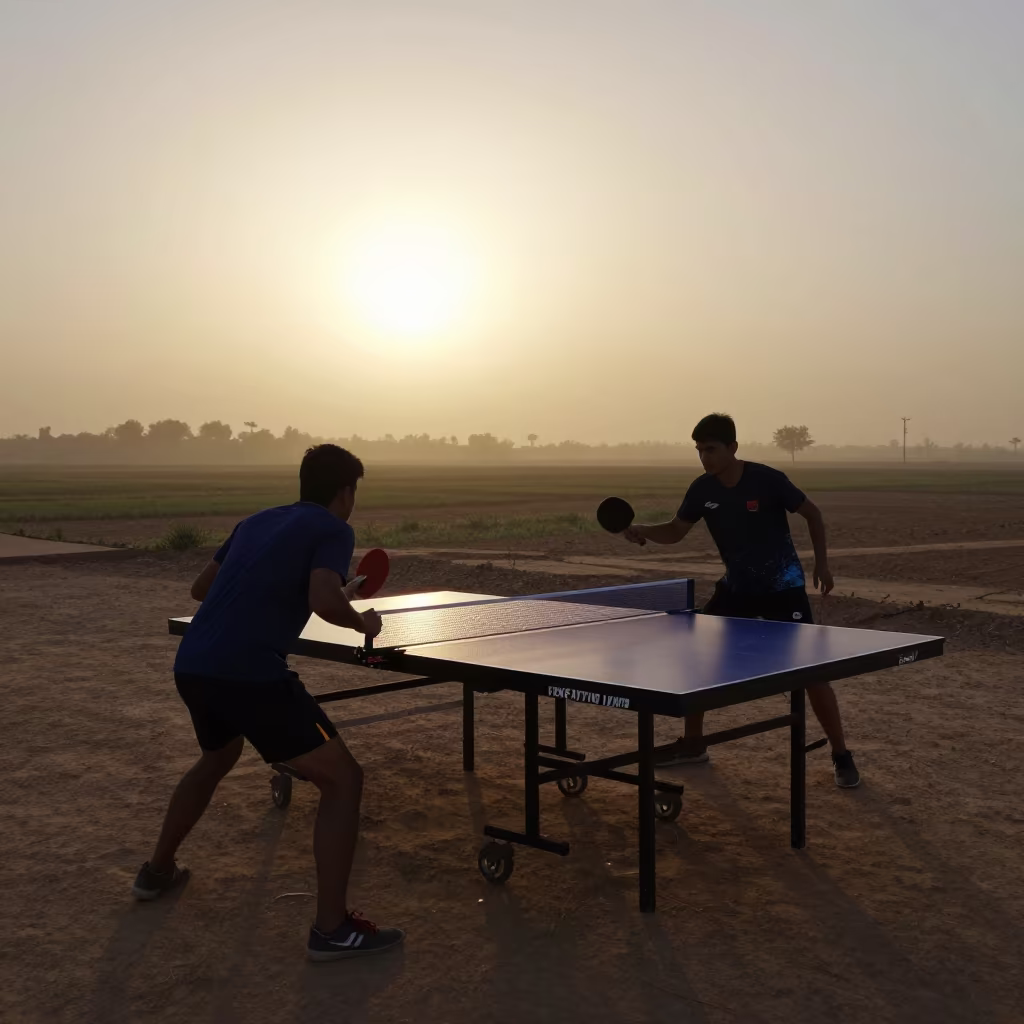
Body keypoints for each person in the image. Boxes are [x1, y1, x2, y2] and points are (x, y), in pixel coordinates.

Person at [132, 444, 405, 959]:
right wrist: (361, 621)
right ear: (345, 492)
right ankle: (331, 929)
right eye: (354, 492)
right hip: (249, 674)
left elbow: (199, 590)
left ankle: (157, 871)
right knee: (344, 780)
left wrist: (297, 590)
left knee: (217, 756)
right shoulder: (333, 528)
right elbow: (324, 600)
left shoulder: (255, 522)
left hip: (194, 665)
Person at [623, 413, 860, 788]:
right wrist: (642, 532)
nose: (705, 457)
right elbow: (675, 530)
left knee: (813, 673)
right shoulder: (702, 489)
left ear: (733, 448)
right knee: (699, 659)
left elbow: (812, 513)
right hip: (736, 589)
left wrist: (824, 565)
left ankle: (841, 754)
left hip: (783, 588)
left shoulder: (767, 480)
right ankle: (693, 744)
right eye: (699, 450)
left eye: (711, 449)